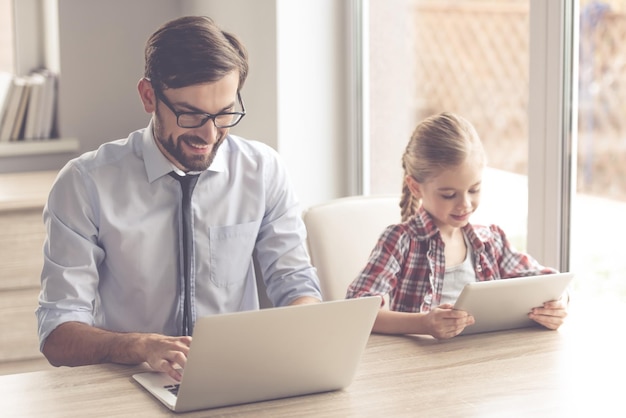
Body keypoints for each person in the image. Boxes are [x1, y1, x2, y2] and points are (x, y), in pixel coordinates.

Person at [36, 16, 322, 381]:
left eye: (224, 114)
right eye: (191, 115)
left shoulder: (262, 170)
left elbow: (296, 285)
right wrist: (140, 346)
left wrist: (305, 326)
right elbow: (57, 333)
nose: (210, 133)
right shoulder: (84, 184)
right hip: (128, 384)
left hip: (235, 378)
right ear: (148, 96)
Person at [345, 112, 568, 339]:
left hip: (483, 363)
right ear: (415, 187)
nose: (465, 204)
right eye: (449, 195)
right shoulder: (400, 241)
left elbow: (546, 281)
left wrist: (558, 303)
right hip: (418, 368)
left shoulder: (491, 240)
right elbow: (357, 311)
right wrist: (423, 324)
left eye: (474, 190)